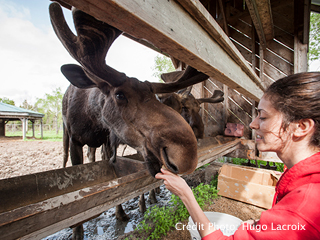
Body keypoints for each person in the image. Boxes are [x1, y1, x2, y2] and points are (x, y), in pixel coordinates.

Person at [156, 72, 320, 239]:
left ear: (301, 126)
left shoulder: (302, 209)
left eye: (263, 117)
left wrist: (185, 194)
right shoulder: (302, 179)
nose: (252, 124)